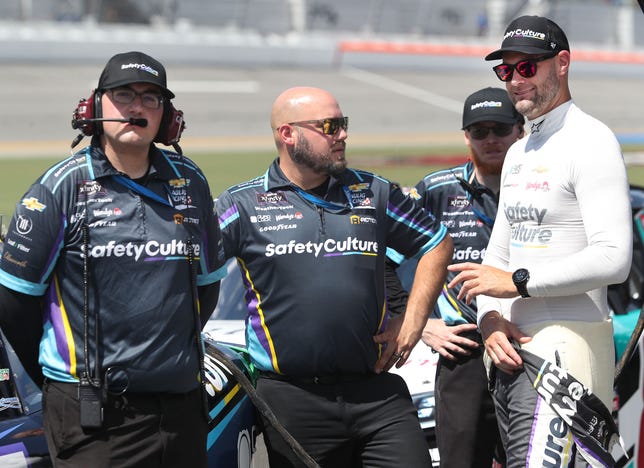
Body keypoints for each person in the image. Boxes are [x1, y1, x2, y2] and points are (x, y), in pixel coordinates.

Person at [0, 51, 226, 467]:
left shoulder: (190, 181)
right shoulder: (60, 187)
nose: (136, 107)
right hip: (91, 416)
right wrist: (63, 374)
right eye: (123, 95)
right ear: (95, 105)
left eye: (151, 98)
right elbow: (14, 304)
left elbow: (205, 288)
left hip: (180, 410)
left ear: (167, 116)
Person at [215, 86, 453, 467]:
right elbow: (192, 267)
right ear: (287, 134)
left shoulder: (374, 192)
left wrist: (412, 322)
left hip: (376, 391)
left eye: (343, 124)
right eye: (329, 126)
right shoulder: (240, 205)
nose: (342, 135)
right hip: (291, 397)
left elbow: (437, 244)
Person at [448, 16, 632, 466]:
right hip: (510, 356)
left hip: (568, 352)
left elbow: (614, 259)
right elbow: (497, 256)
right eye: (505, 71)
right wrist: (490, 318)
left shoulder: (591, 141)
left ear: (562, 63)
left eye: (527, 68)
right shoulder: (518, 151)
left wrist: (518, 283)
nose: (514, 81)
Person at [387, 86, 524, 467]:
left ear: (520, 130)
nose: (491, 139)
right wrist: (420, 324)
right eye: (479, 131)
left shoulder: (542, 187)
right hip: (464, 348)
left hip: (532, 340)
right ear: (466, 137)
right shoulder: (437, 190)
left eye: (501, 128)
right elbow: (381, 262)